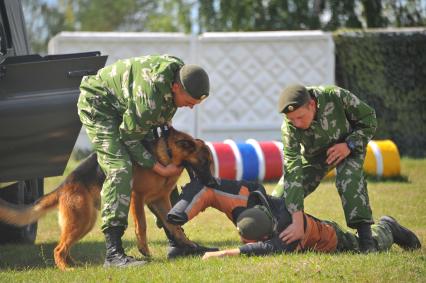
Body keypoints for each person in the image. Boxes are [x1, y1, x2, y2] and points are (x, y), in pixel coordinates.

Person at [77, 54, 210, 267]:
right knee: (119, 168)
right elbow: (130, 138)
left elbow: (157, 123)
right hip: (99, 105)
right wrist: (157, 167)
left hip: (128, 109)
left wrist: (165, 165)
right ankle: (113, 254)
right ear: (176, 87)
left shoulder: (180, 76)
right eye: (190, 102)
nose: (191, 107)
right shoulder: (148, 100)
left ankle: (177, 242)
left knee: (167, 160)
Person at [165, 179, 421, 259]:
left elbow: (258, 250)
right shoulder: (273, 207)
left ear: (267, 235)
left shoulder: (284, 240)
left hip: (334, 240)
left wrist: (219, 254)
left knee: (369, 245)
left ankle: (388, 225)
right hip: (314, 224)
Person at [275, 84, 378, 253]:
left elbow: (369, 119)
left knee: (348, 181)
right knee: (278, 199)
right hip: (314, 156)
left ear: (312, 105)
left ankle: (367, 242)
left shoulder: (336, 96)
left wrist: (349, 144)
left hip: (346, 147)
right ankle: (281, 237)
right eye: (292, 119)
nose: (296, 123)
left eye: (300, 117)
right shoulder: (290, 126)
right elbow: (292, 168)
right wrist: (297, 219)